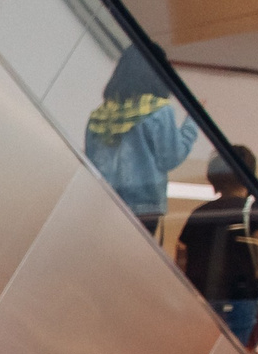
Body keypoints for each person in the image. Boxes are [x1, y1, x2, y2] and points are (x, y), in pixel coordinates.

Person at [83, 48, 199, 238]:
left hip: (102, 204)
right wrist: (192, 124)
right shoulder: (159, 111)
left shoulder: (99, 115)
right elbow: (170, 158)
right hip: (145, 209)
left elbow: (90, 164)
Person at [178, 148, 258, 347]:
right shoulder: (252, 210)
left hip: (201, 297)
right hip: (240, 297)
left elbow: (181, 260)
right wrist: (253, 279)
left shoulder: (199, 213)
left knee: (200, 350)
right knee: (232, 352)